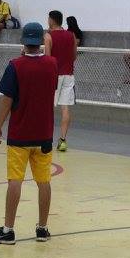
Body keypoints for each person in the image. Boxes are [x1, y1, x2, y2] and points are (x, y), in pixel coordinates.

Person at [0, 21, 58, 245]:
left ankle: (8, 230)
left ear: (23, 41)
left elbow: (7, 100)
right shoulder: (52, 64)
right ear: (41, 41)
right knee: (44, 181)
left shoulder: (15, 66)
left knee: (15, 181)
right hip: (44, 133)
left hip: (20, 134)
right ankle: (42, 228)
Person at [43, 10, 77, 153]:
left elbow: (47, 59)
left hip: (54, 75)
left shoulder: (48, 36)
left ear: (51, 20)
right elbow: (74, 56)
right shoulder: (71, 35)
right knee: (65, 108)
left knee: (47, 108)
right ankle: (62, 140)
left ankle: (46, 139)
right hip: (68, 75)